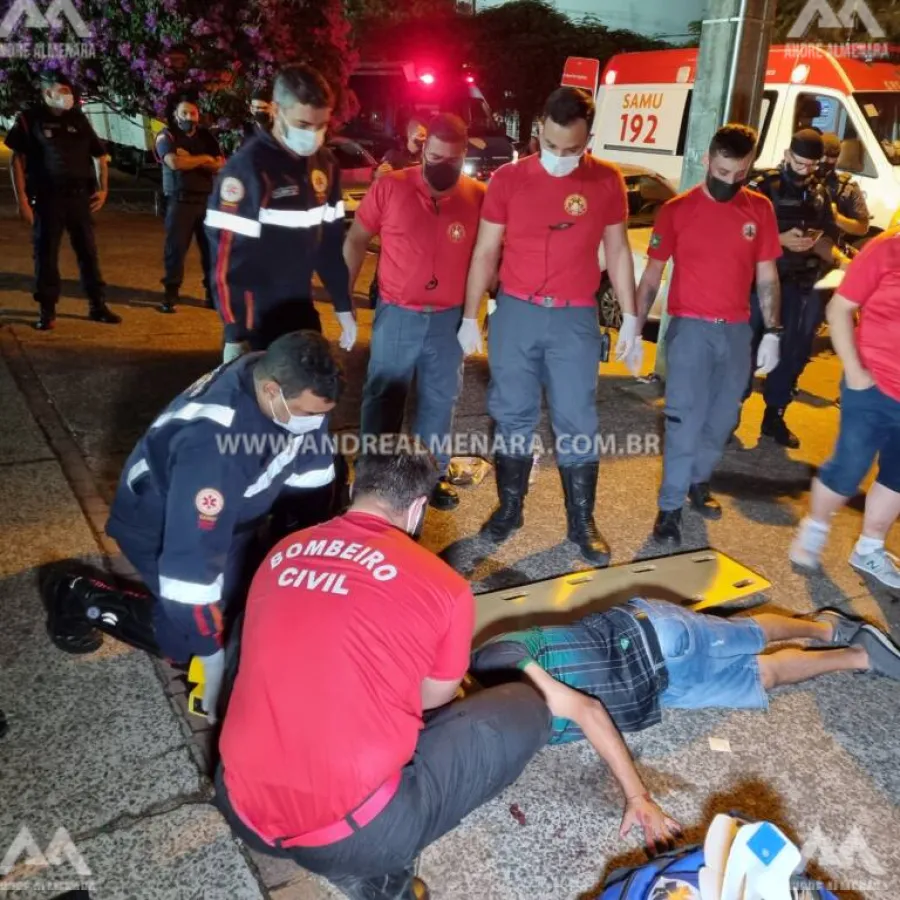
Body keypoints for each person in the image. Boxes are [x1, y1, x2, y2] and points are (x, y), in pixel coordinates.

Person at [213, 447, 551, 900]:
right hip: (353, 837)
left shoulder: (283, 551)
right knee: (526, 708)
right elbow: (435, 698)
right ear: (417, 508)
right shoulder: (445, 585)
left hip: (237, 803)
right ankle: (378, 876)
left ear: (353, 489)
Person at [44, 332, 344, 717]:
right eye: (307, 413)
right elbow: (191, 563)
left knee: (238, 609)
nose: (315, 423)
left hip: (234, 519)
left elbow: (310, 465)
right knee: (190, 638)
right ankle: (79, 594)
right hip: (165, 525)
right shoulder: (215, 445)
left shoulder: (290, 380)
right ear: (272, 391)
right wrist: (209, 650)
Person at [471, 597, 900, 849]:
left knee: (751, 633)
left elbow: (587, 711)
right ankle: (859, 656)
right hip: (658, 689)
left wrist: (637, 796)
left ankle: (826, 627)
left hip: (654, 635)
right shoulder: (492, 725)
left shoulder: (495, 659)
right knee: (762, 676)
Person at [458, 86, 640, 565]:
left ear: (589, 139)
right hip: (515, 312)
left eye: (573, 150)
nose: (560, 157)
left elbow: (618, 252)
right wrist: (468, 315)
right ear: (538, 130)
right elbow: (484, 250)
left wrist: (633, 318)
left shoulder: (606, 180)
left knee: (577, 418)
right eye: (552, 146)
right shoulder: (508, 179)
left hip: (575, 316)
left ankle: (582, 522)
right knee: (512, 412)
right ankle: (510, 508)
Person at [635, 125, 783, 544]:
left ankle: (698, 479)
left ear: (749, 166)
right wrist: (633, 324)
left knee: (723, 419)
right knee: (684, 420)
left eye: (738, 174)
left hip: (736, 332)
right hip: (690, 330)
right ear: (707, 160)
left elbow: (768, 276)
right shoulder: (678, 210)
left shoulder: (760, 209)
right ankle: (669, 507)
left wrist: (772, 330)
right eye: (721, 171)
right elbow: (651, 276)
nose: (729, 182)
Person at [344, 114, 486, 511]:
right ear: (423, 150)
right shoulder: (391, 187)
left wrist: (479, 314)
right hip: (398, 313)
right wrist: (344, 301)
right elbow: (356, 239)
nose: (445, 166)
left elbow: (487, 257)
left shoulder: (477, 196)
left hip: (449, 319)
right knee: (383, 396)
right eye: (437, 156)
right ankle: (372, 476)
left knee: (440, 401)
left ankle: (429, 477)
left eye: (453, 160)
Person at [205, 63, 356, 362]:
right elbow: (225, 263)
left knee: (310, 399)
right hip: (257, 318)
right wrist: (236, 333)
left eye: (320, 125)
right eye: (302, 125)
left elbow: (329, 246)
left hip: (300, 309)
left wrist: (343, 305)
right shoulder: (248, 169)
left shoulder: (324, 165)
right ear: (276, 110)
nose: (312, 135)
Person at [790, 230, 900, 589]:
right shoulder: (888, 248)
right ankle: (816, 527)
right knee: (848, 468)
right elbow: (840, 308)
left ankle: (869, 548)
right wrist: (854, 373)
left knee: (897, 476)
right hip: (873, 385)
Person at [744, 129, 852, 449]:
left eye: (811, 165)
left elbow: (827, 238)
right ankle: (729, 412)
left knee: (793, 354)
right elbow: (737, 236)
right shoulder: (762, 186)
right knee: (744, 350)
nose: (804, 170)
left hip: (800, 287)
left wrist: (837, 258)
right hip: (760, 285)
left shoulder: (820, 193)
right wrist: (778, 241)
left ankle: (774, 415)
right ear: (789, 155)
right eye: (800, 162)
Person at [4, 71, 120, 331]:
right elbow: (17, 162)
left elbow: (99, 156)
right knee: (46, 254)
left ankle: (97, 305)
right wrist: (22, 200)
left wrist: (103, 189)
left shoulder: (78, 119)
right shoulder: (29, 119)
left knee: (88, 253)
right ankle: (47, 310)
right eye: (62, 91)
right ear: (47, 93)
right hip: (47, 198)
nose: (68, 96)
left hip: (80, 198)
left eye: (69, 91)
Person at [155, 95, 225, 313]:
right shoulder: (166, 135)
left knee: (211, 251)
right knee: (175, 250)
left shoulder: (206, 137)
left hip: (206, 200)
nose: (189, 117)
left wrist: (196, 158)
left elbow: (220, 165)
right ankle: (170, 295)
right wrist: (205, 160)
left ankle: (212, 296)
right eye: (184, 113)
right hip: (179, 200)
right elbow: (174, 162)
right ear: (175, 115)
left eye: (192, 113)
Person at [819, 132, 870, 246]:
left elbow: (863, 227)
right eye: (821, 155)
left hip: (829, 247)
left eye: (830, 157)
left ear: (837, 159)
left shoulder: (847, 188)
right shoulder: (801, 180)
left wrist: (837, 218)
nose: (824, 160)